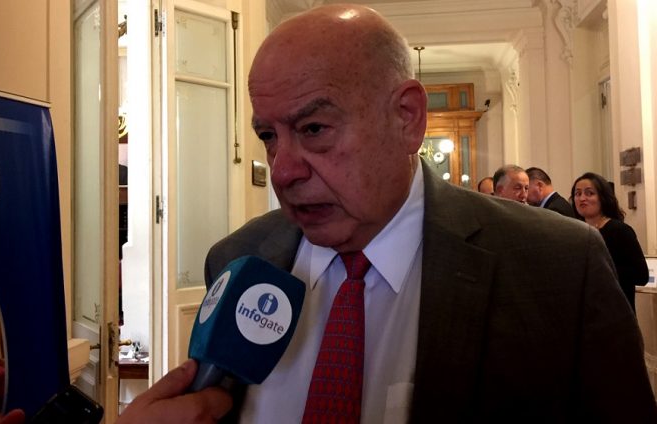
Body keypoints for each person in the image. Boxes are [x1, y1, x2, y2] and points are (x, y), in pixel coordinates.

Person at [118, 4, 657, 423]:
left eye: (313, 129)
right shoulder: (237, 259)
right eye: (268, 136)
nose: (282, 171)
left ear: (407, 117)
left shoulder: (559, 267)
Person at [571, 172, 649, 312]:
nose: (582, 198)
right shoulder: (575, 231)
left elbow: (641, 275)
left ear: (603, 197)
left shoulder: (620, 231)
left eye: (589, 193)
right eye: (578, 194)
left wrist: (599, 270)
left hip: (615, 311)